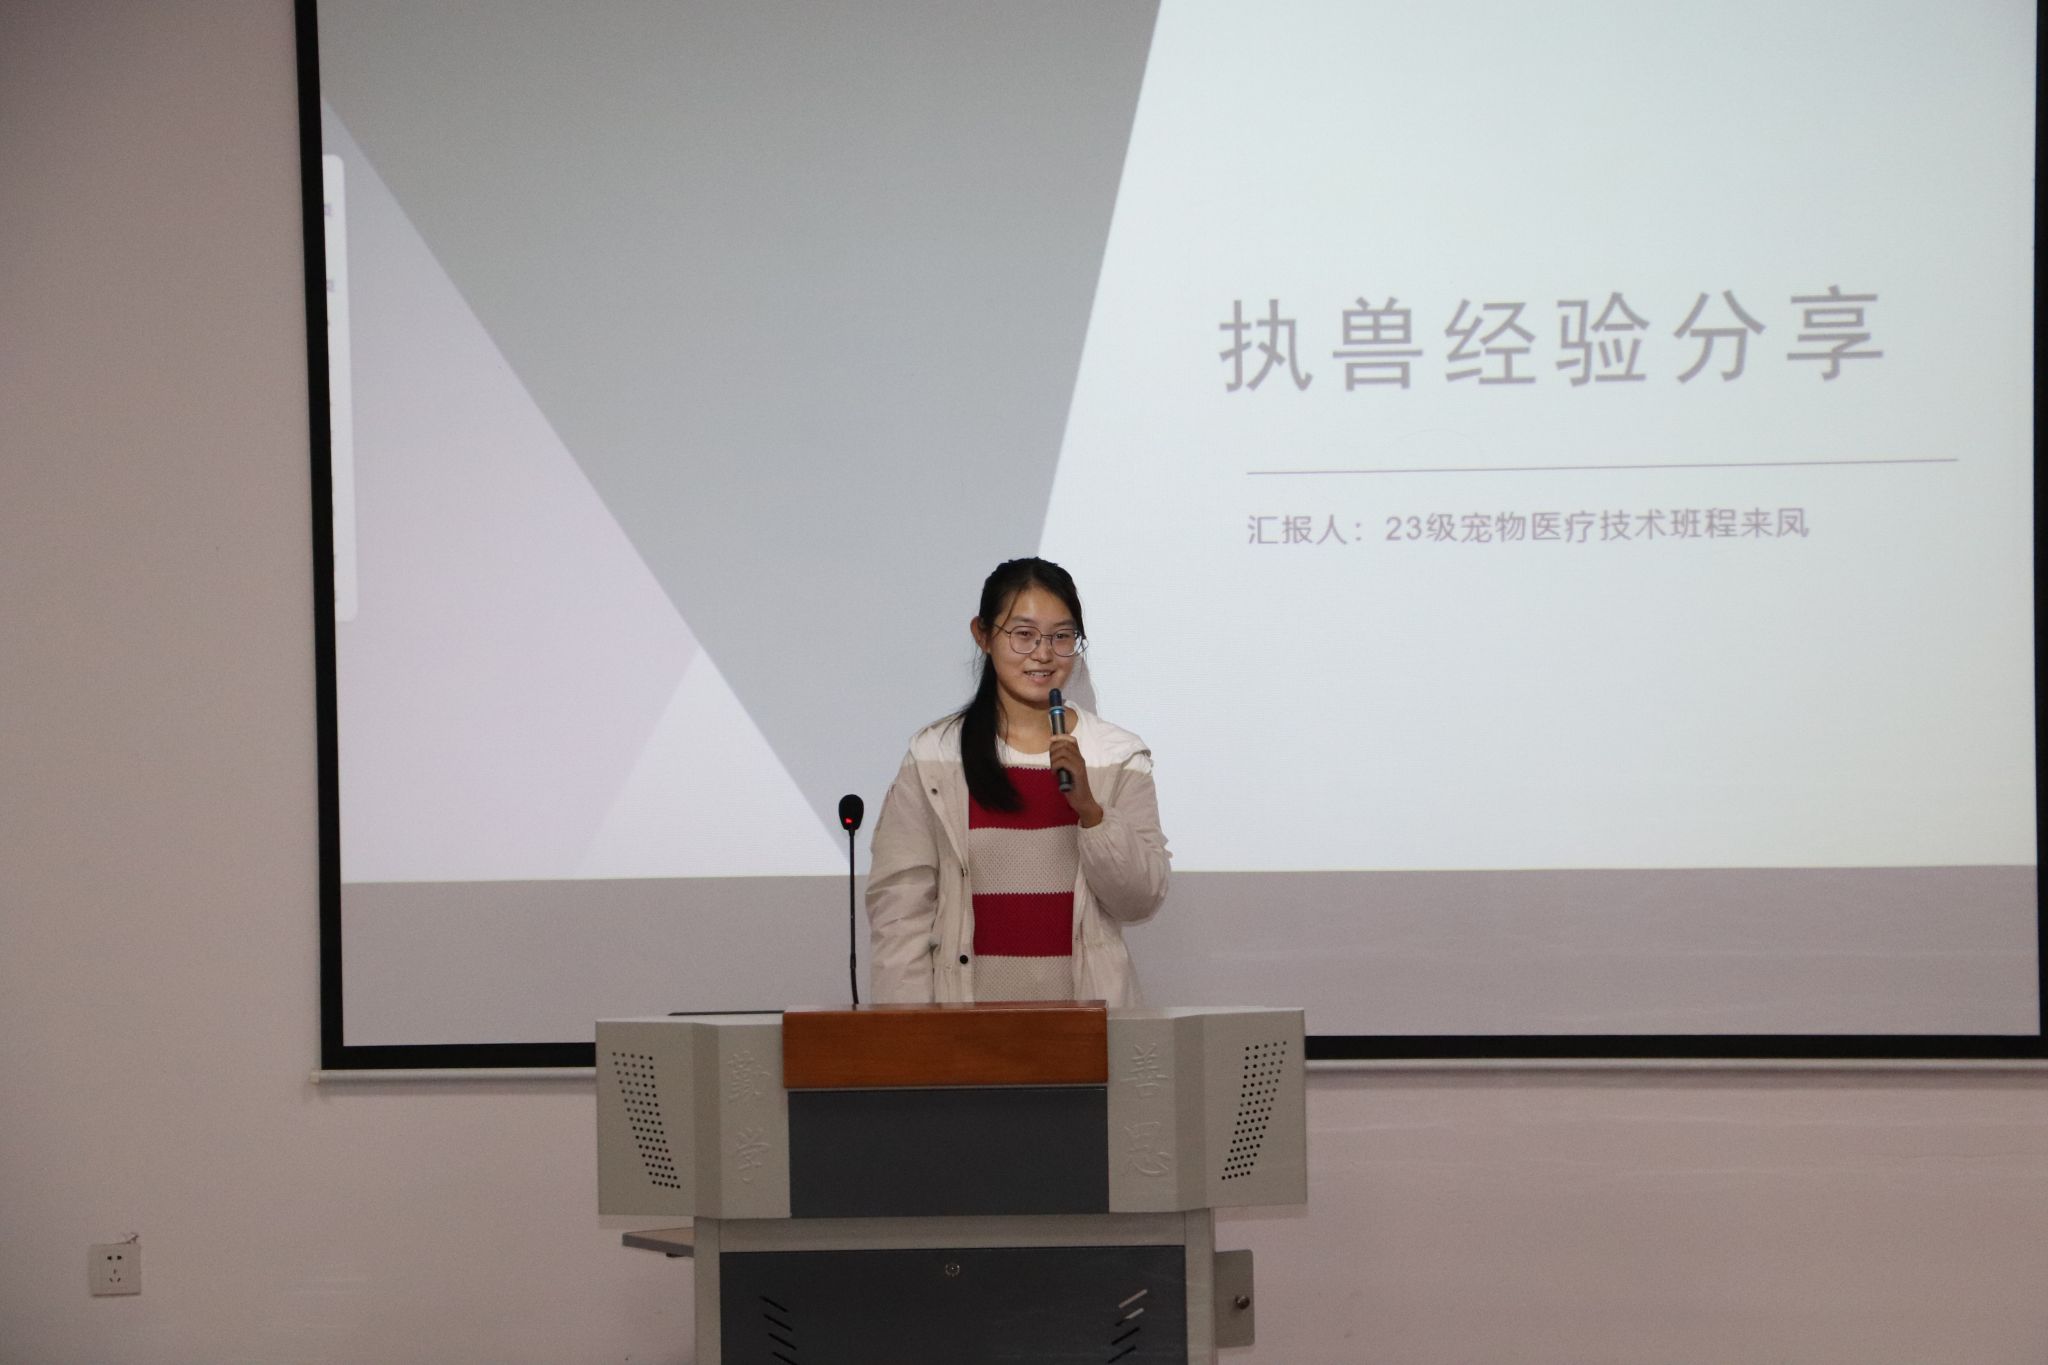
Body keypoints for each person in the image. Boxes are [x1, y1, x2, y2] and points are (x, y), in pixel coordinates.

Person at [866, 557, 1170, 1005]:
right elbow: (900, 913)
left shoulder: (1117, 755)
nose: (1043, 654)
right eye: (1023, 634)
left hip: (1086, 1026)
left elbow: (1139, 900)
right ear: (983, 635)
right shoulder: (935, 756)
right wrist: (910, 1030)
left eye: (1061, 636)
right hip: (964, 1025)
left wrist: (1092, 812)